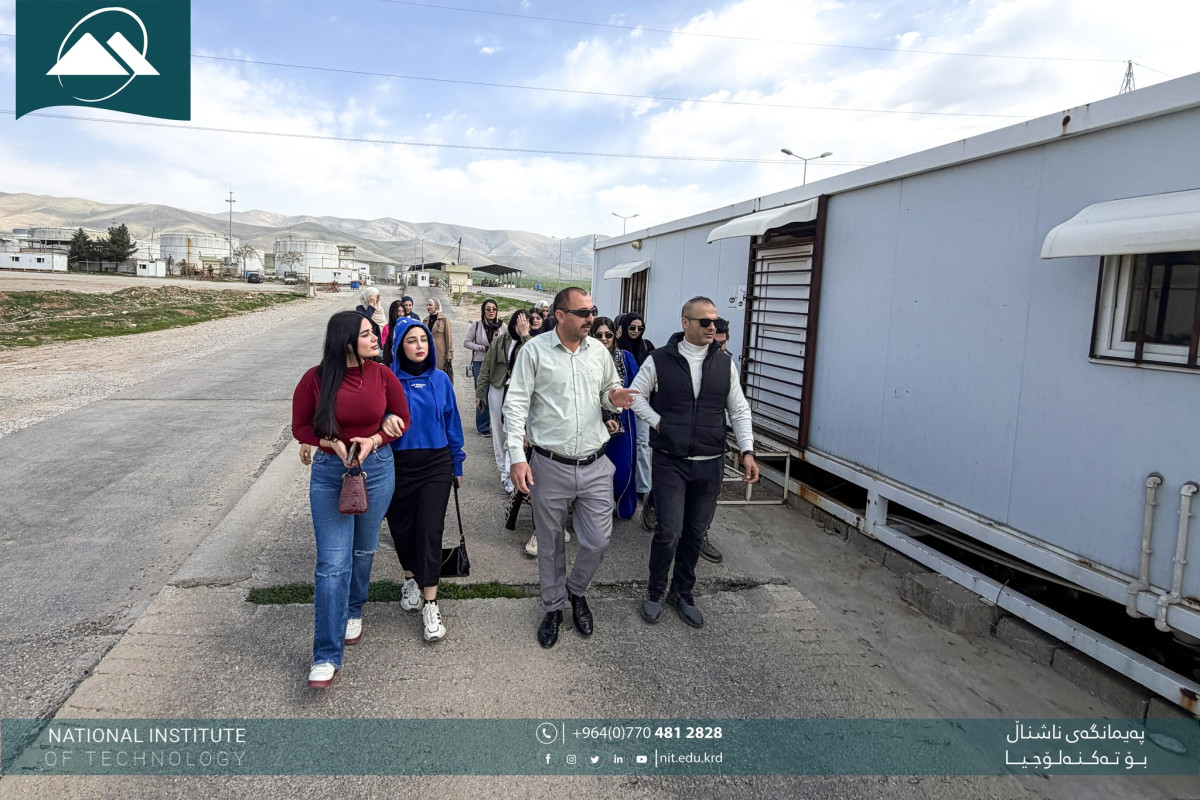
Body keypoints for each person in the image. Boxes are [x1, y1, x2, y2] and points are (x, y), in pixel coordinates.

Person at [504, 288, 639, 648]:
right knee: (549, 544)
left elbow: (608, 389)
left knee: (598, 539)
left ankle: (576, 590)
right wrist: (516, 455)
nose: (590, 318)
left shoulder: (598, 351)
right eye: (582, 313)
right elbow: (515, 404)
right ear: (560, 315)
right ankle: (553, 607)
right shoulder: (534, 351)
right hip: (549, 465)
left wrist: (614, 397)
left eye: (592, 311)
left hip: (595, 464)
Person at [292, 311, 411, 688]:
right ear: (345, 342)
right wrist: (330, 442)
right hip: (331, 473)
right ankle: (326, 655)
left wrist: (377, 437)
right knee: (331, 564)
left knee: (363, 549)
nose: (376, 338)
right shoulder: (314, 379)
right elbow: (300, 426)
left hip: (377, 470)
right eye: (366, 334)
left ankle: (354, 608)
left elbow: (402, 418)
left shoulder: (383, 375)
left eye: (375, 333)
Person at [629, 296, 758, 630]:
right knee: (669, 532)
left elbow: (739, 410)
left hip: (710, 462)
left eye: (715, 321)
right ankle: (655, 591)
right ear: (685, 323)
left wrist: (747, 450)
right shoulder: (660, 360)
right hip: (670, 461)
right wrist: (660, 424)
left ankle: (683, 592)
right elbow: (635, 396)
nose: (712, 327)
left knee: (695, 533)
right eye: (705, 322)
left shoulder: (724, 363)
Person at [386, 316, 467, 642]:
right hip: (397, 464)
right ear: (399, 346)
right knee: (402, 528)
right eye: (411, 340)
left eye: (423, 340)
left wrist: (457, 462)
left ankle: (431, 603)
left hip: (436, 463)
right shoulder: (388, 379)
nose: (419, 346)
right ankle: (410, 578)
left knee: (430, 530)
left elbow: (452, 421)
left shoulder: (441, 379)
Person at [476, 309, 531, 494]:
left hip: (518, 391)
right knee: (499, 432)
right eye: (519, 323)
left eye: (525, 323)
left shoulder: (531, 343)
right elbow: (486, 366)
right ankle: (504, 472)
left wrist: (525, 336)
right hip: (498, 388)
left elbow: (534, 360)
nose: (522, 326)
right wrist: (480, 391)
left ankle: (512, 473)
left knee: (513, 431)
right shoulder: (500, 341)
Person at [591, 317, 640, 520]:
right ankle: (594, 511)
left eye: (608, 335)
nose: (604, 339)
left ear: (614, 336)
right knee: (593, 474)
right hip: (592, 423)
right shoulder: (585, 359)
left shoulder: (626, 358)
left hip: (623, 424)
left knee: (622, 471)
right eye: (598, 335)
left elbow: (638, 386)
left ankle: (622, 508)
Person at [695, 317, 732, 563]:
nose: (719, 347)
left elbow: (736, 404)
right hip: (680, 442)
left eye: (723, 343)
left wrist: (747, 448)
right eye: (715, 342)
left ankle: (700, 534)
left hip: (713, 440)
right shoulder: (681, 360)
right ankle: (655, 504)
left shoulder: (726, 364)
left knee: (710, 493)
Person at [616, 313, 658, 530]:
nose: (635, 332)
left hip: (641, 402)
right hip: (620, 404)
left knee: (642, 444)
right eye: (632, 328)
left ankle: (644, 488)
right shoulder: (618, 349)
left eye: (640, 328)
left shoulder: (647, 347)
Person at [464, 299, 506, 436]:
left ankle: (498, 424)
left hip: (498, 364)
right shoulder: (476, 325)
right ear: (483, 311)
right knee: (482, 392)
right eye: (488, 309)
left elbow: (508, 342)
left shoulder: (502, 326)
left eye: (494, 309)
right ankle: (483, 426)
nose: (491, 311)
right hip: (480, 362)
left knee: (498, 393)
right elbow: (466, 342)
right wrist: (479, 347)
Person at [424, 298, 453, 381]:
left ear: (436, 306)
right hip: (428, 353)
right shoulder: (425, 321)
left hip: (440, 354)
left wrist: (449, 354)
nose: (428, 307)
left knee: (440, 376)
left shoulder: (444, 320)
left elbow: (448, 337)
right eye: (427, 305)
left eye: (430, 305)